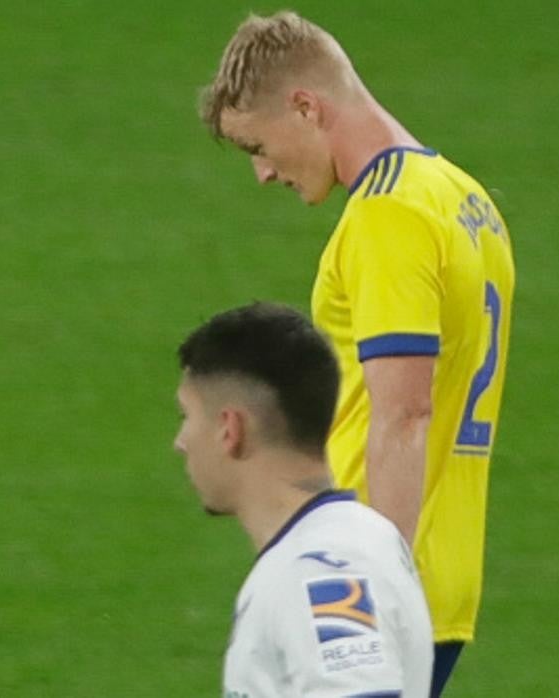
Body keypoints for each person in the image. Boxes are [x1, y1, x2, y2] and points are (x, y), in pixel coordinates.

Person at [198, 11, 515, 695]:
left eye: (258, 145)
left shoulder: (388, 215)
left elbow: (404, 412)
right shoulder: (463, 197)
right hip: (442, 568)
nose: (263, 173)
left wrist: (378, 584)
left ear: (306, 106)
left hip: (368, 587)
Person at [174, 302, 433, 696]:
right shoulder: (360, 535)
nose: (180, 442)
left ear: (230, 429)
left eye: (187, 416)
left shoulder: (319, 572)